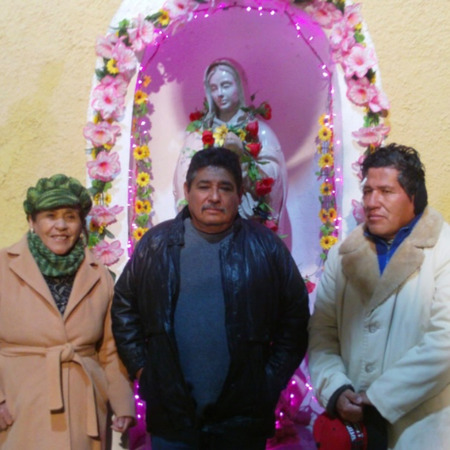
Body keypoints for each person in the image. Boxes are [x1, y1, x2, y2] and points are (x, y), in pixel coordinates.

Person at [112, 147, 309, 449]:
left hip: (243, 422)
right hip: (171, 420)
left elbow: (295, 319)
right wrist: (143, 371)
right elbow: (124, 308)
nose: (214, 197)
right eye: (204, 186)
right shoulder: (155, 245)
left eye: (225, 188)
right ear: (187, 191)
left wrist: (268, 381)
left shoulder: (266, 248)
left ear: (239, 195)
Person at [308, 144, 450, 449]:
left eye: (386, 191)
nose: (372, 202)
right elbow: (322, 333)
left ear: (414, 197)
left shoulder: (444, 249)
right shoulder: (342, 255)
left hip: (424, 430)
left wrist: (378, 398)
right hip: (354, 432)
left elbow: (445, 341)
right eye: (368, 191)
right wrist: (336, 390)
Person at [0, 174, 135, 449]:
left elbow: (109, 349)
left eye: (70, 217)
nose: (60, 226)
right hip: (18, 407)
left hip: (82, 409)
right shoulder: (4, 266)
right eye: (50, 216)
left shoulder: (99, 274)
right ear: (32, 221)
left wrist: (122, 402)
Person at [173, 58, 287, 228]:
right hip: (208, 226)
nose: (219, 93)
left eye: (226, 85)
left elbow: (275, 178)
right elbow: (184, 179)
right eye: (213, 88)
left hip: (249, 224)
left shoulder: (260, 133)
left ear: (239, 87)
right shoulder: (199, 136)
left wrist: (244, 160)